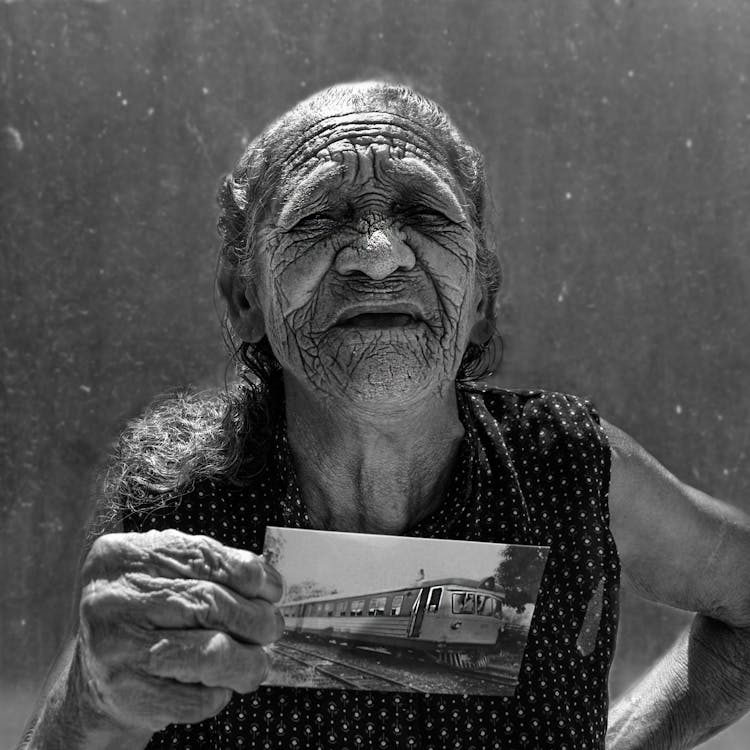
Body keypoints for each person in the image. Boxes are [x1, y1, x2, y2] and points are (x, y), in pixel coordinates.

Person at [18, 81, 750, 750]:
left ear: (482, 298)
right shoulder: (183, 503)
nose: (376, 255)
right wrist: (94, 697)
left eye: (425, 213)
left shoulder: (564, 467)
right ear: (245, 300)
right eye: (318, 217)